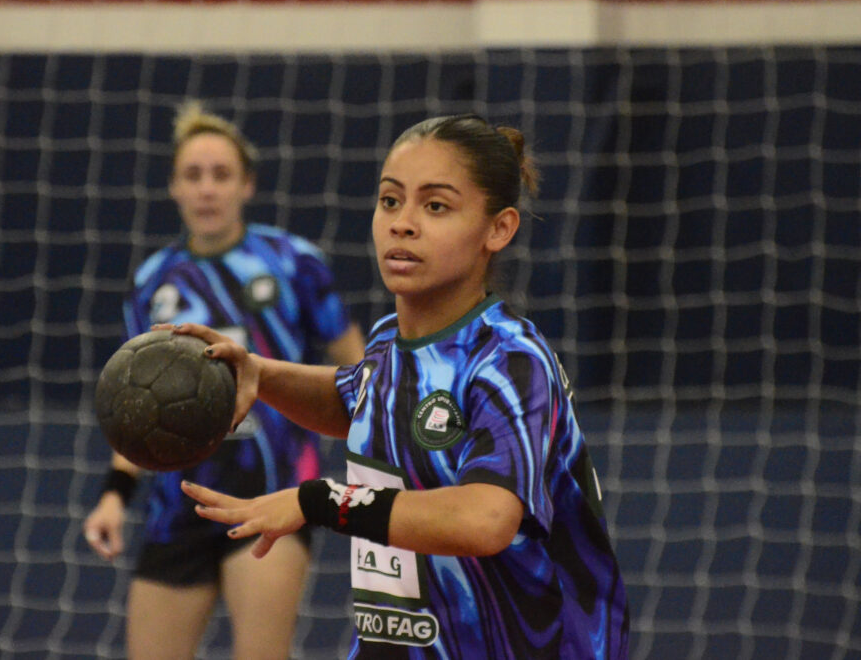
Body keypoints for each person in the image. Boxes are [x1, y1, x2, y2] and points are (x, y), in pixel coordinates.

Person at [172, 114, 630, 658]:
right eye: (391, 201)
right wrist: (262, 374)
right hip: (406, 642)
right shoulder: (391, 340)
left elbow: (487, 519)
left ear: (499, 229)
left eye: (435, 206)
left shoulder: (510, 362)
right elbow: (358, 400)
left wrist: (320, 500)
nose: (402, 223)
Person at [83, 100, 366, 660]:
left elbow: (359, 375)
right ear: (173, 188)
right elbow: (138, 407)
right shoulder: (152, 282)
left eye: (221, 175)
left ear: (247, 185)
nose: (207, 189)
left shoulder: (293, 263)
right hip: (176, 505)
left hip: (273, 492)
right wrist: (114, 496)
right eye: (193, 175)